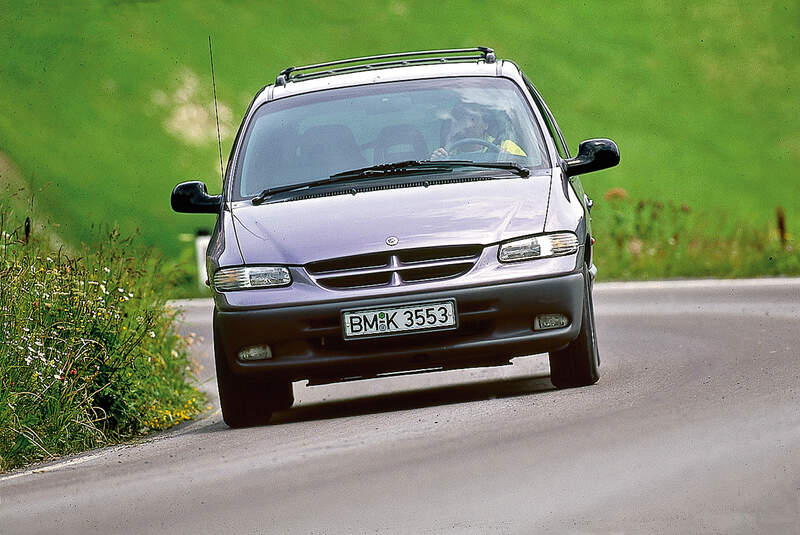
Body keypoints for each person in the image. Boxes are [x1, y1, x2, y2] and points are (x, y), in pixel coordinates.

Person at [430, 102, 526, 160]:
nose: (467, 125)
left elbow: (526, 171)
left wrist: (509, 160)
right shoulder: (446, 153)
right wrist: (436, 163)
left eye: (473, 119)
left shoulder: (506, 147)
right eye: (461, 119)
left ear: (486, 124)